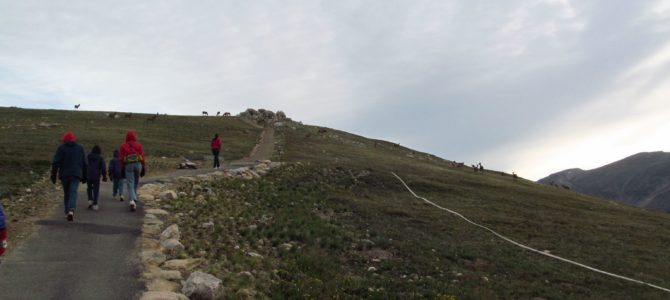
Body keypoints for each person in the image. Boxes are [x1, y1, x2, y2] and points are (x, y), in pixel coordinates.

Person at [51, 131, 87, 221]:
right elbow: (85, 163)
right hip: (76, 174)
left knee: (67, 192)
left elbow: (55, 162)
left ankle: (67, 210)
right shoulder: (80, 148)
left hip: (64, 174)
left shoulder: (61, 148)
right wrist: (85, 176)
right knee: (73, 191)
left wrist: (53, 175)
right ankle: (71, 209)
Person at [119, 130, 145, 211]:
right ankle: (133, 198)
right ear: (134, 136)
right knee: (136, 182)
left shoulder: (123, 146)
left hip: (128, 165)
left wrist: (122, 168)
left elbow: (121, 159)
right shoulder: (139, 145)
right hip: (138, 165)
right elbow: (142, 157)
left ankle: (132, 200)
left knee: (130, 182)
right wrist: (144, 167)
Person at [86, 145, 107, 211]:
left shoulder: (88, 156)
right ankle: (95, 204)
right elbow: (103, 168)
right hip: (96, 175)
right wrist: (104, 176)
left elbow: (85, 164)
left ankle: (90, 200)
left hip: (88, 174)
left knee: (89, 188)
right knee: (96, 190)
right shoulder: (100, 158)